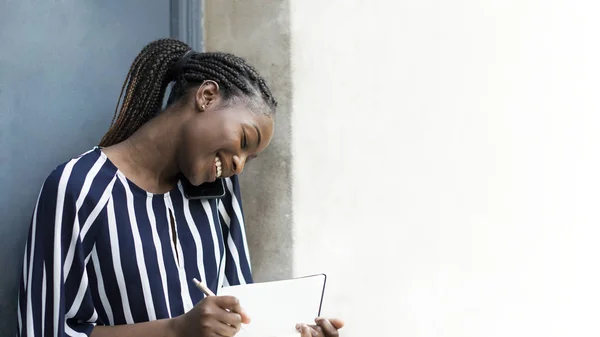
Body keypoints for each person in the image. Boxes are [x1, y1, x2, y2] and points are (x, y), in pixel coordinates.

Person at [17, 38, 344, 337]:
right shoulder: (79, 189)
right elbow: (45, 331)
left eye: (250, 158)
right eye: (243, 141)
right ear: (207, 96)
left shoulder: (221, 194)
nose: (239, 165)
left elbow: (243, 321)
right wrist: (175, 331)